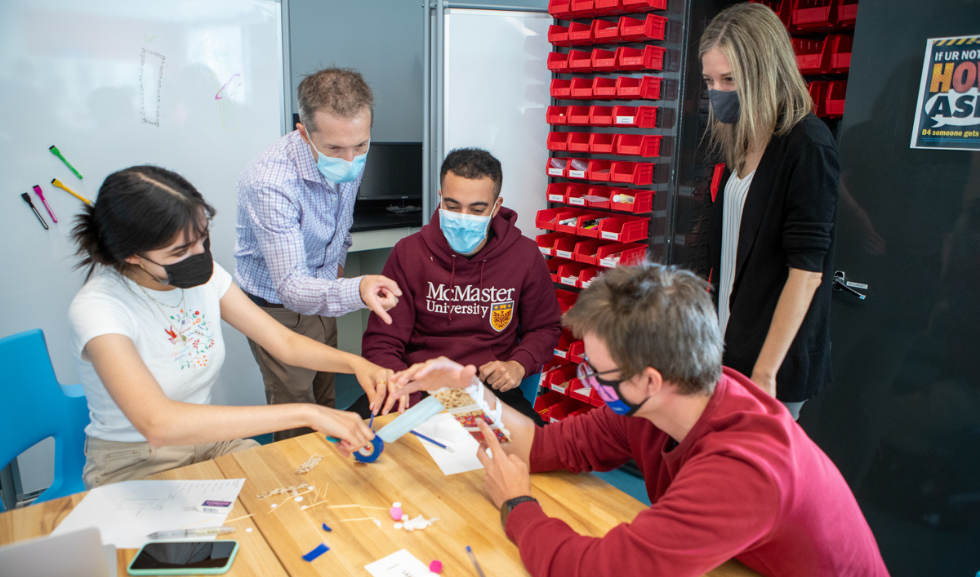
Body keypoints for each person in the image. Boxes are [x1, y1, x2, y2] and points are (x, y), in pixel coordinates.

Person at [389, 264, 889, 577]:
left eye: (597, 372)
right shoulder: (667, 401)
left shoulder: (743, 469)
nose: (590, 383)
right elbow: (541, 448)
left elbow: (594, 570)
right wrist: (462, 393)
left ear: (650, 379)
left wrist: (517, 506)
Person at [69, 166, 393, 488]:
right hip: (135, 462)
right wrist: (309, 414)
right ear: (133, 256)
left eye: (202, 237)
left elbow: (284, 342)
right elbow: (159, 423)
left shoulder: (206, 276)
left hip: (210, 443)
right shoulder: (100, 308)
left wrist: (357, 364)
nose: (200, 255)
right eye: (180, 251)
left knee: (294, 496)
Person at [235, 67, 402, 440]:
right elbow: (292, 287)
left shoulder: (347, 148)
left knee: (326, 398)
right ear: (304, 133)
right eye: (334, 149)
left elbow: (339, 232)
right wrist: (355, 290)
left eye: (361, 146)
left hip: (327, 293)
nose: (349, 159)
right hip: (278, 308)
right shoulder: (270, 182)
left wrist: (336, 286)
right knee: (296, 412)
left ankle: (331, 478)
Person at [701, 3, 840, 420]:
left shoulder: (806, 144)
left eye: (729, 80)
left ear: (765, 73)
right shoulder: (742, 140)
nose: (718, 92)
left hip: (769, 363)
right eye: (710, 81)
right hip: (728, 341)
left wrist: (764, 374)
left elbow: (807, 273)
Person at [357, 148, 561, 424]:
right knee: (343, 449)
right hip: (415, 386)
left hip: (486, 391)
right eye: (452, 207)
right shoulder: (408, 254)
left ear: (496, 207)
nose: (463, 217)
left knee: (537, 457)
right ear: (440, 199)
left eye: (477, 209)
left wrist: (519, 364)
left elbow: (545, 327)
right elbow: (382, 341)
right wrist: (413, 401)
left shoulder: (524, 255)